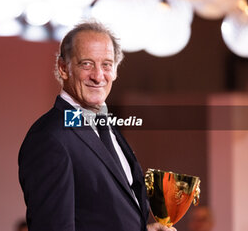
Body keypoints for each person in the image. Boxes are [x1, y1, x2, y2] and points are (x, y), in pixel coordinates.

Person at [18, 20, 176, 231]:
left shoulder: (106, 127)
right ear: (63, 68)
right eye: (86, 64)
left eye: (106, 65)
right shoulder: (50, 137)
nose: (98, 76)